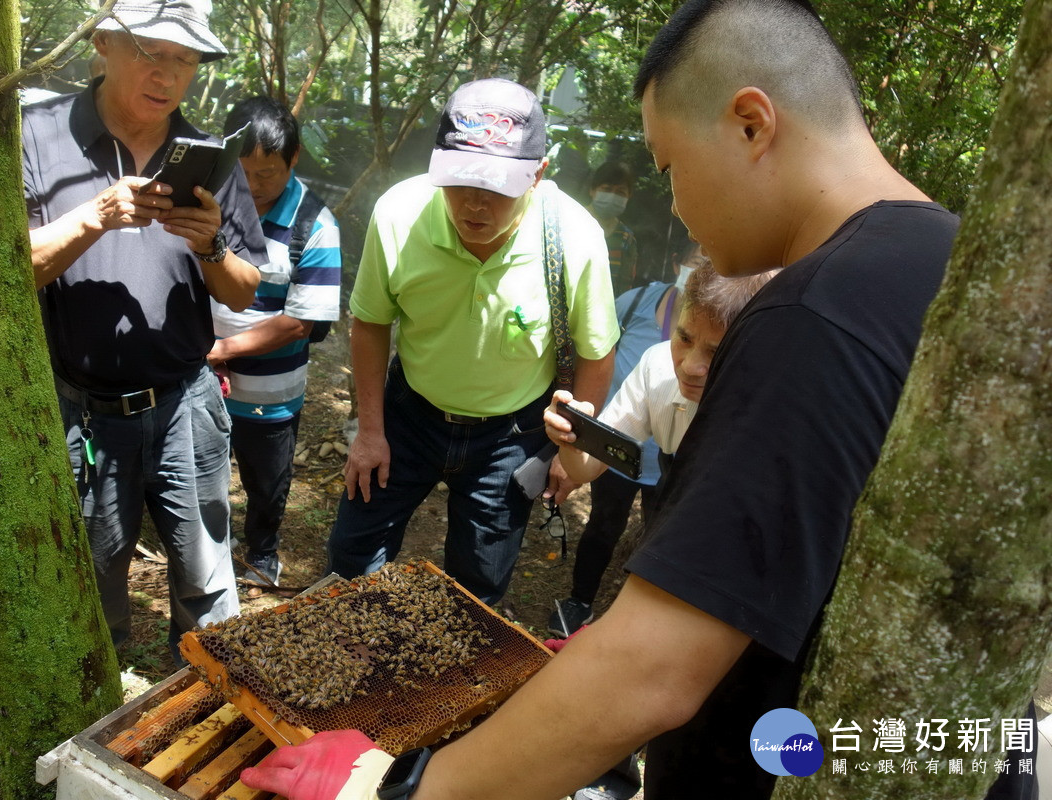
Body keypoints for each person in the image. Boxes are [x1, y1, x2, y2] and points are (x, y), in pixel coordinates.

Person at [239, 2, 1034, 799]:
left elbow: (656, 669)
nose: (677, 204)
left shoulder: (812, 313)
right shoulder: (946, 259)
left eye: (667, 166)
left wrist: (404, 790)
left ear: (751, 124)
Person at [21, 0, 268, 658]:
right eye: (151, 52)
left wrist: (211, 246)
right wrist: (94, 218)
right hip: (81, 411)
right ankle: (98, 721)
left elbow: (248, 288)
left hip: (184, 403)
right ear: (103, 41)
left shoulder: (210, 157)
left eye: (185, 60)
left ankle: (213, 705)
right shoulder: (37, 134)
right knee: (91, 582)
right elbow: (5, 272)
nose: (168, 74)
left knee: (208, 583)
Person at [324, 77, 619, 606]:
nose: (474, 205)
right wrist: (370, 431)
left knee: (478, 584)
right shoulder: (400, 214)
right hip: (410, 412)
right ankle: (362, 667)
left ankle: (451, 687)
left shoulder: (575, 237)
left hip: (511, 432)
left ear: (537, 175)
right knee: (353, 556)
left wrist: (567, 451)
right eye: (460, 182)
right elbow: (370, 323)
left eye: (497, 187)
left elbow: (597, 352)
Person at [548, 260, 777, 640]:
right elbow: (588, 467)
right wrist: (572, 437)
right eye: (684, 338)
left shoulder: (772, 410)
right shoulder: (657, 368)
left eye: (715, 352)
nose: (689, 366)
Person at [207, 96, 342, 587]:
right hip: (199, 378)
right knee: (202, 467)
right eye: (244, 172)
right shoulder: (211, 200)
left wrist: (219, 352)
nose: (254, 186)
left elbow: (299, 323)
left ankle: (262, 554)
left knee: (266, 480)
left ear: (294, 158)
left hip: (270, 391)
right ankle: (209, 549)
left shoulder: (316, 226)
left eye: (268, 174)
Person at [586, 162, 641, 295]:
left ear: (628, 196)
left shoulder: (625, 238)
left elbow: (624, 287)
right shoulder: (570, 221)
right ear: (592, 190)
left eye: (620, 192)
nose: (612, 195)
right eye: (607, 189)